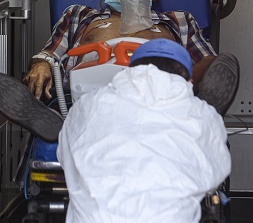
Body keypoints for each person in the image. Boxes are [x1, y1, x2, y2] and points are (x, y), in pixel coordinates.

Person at [24, 0, 238, 116]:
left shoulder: (179, 20)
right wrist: (41, 65)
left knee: (218, 67)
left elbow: (209, 60)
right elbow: (48, 55)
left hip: (160, 94)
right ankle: (48, 118)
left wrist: (184, 84)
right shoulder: (79, 15)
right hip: (91, 91)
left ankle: (197, 112)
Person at [58, 39, 231, 222]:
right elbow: (217, 169)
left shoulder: (89, 104)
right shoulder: (203, 113)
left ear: (129, 70)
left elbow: (64, 153)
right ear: (189, 81)